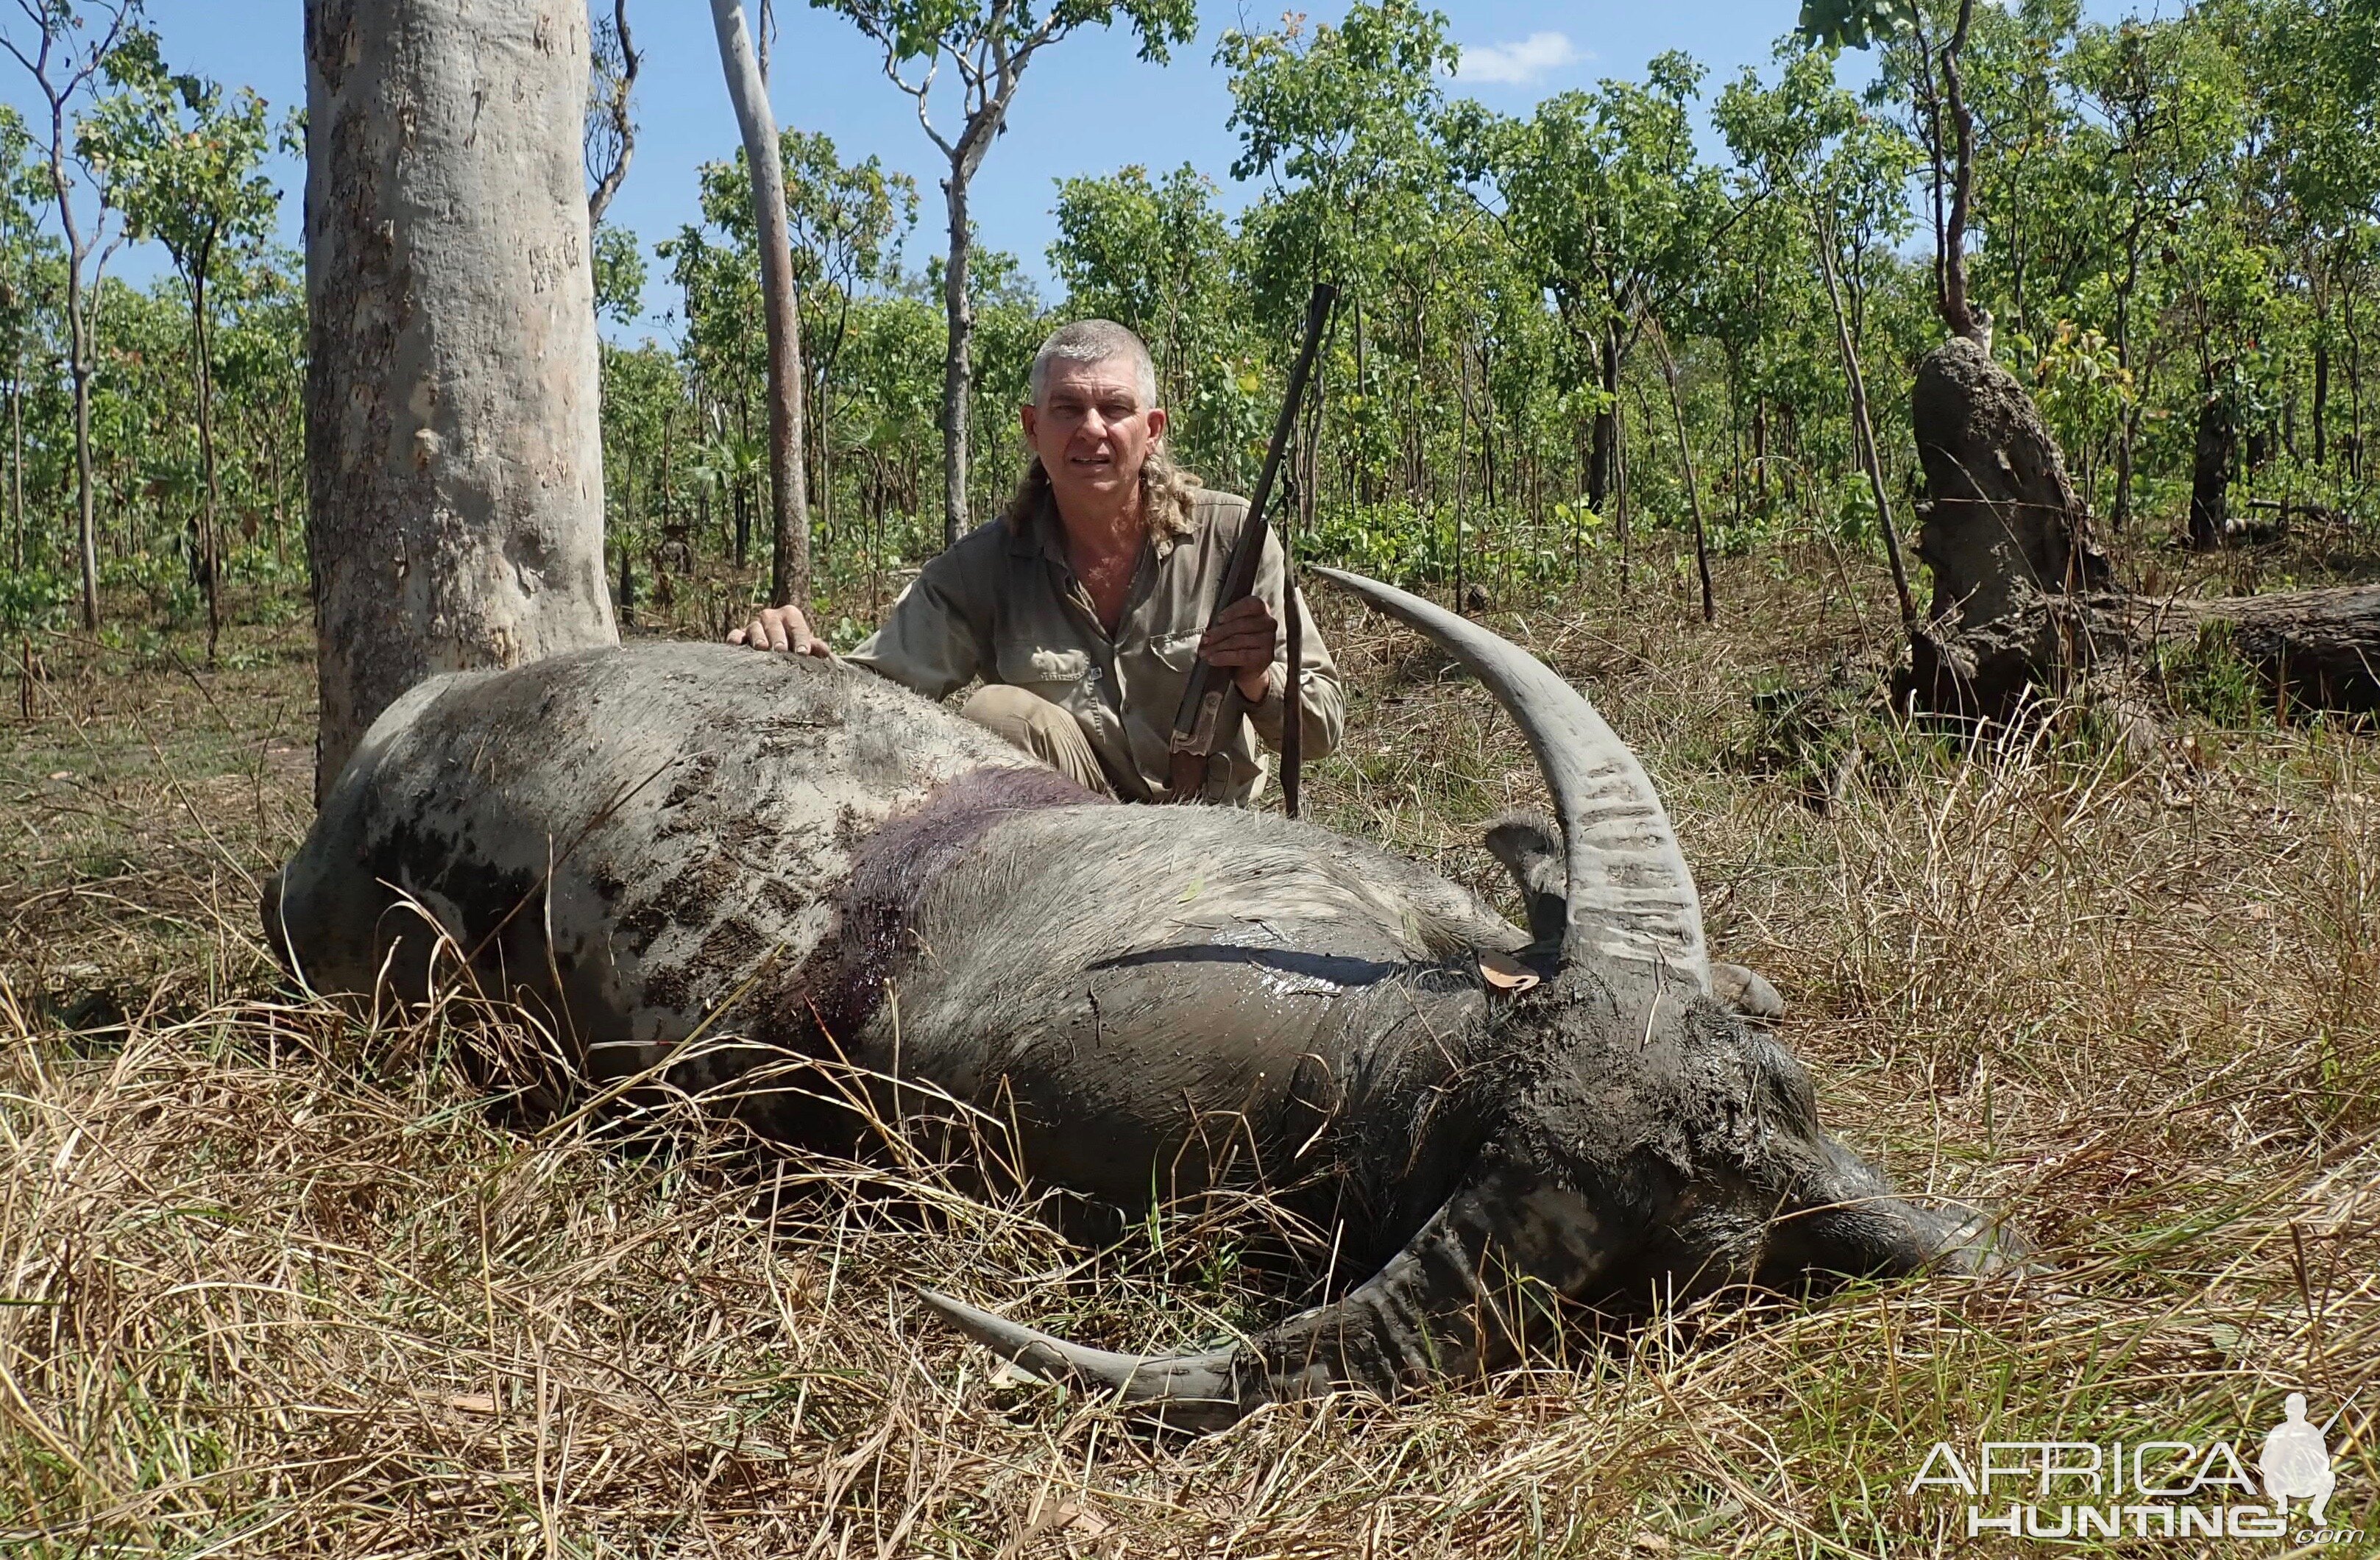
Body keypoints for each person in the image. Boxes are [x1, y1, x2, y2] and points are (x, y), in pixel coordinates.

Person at [730, 319, 1343, 803]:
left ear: (1152, 428)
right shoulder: (985, 567)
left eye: (1116, 409)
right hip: (1073, 836)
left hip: (1219, 834)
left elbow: (1321, 733)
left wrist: (1259, 680)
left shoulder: (1234, 538)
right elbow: (870, 692)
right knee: (997, 715)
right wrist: (789, 660)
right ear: (1032, 426)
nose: (1092, 431)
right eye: (1068, 409)